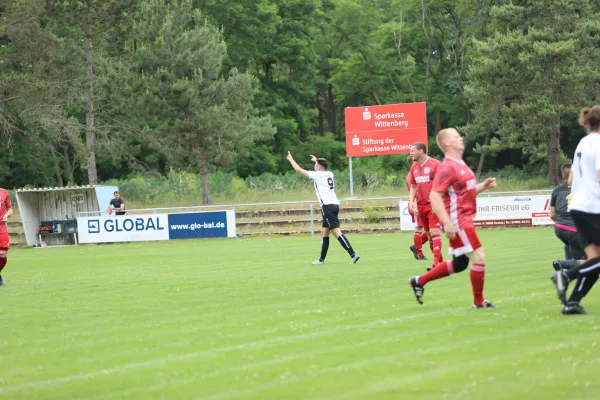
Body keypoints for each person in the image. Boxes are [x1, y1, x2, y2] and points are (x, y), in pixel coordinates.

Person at [409, 128, 497, 308]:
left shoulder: (460, 164)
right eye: (457, 137)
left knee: (460, 263)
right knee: (479, 257)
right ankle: (478, 302)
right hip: (458, 221)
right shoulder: (447, 166)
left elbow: (467, 192)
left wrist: (484, 186)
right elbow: (435, 195)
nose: (461, 139)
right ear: (447, 143)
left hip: (464, 219)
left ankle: (420, 280)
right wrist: (447, 223)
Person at [552, 106, 600, 315]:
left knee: (593, 262)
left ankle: (572, 302)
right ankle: (566, 276)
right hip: (593, 207)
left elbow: (571, 179)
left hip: (578, 206)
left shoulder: (583, 143)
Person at [286, 152, 360, 265]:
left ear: (319, 168)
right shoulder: (329, 173)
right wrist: (316, 160)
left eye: (315, 166)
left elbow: (299, 170)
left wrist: (291, 159)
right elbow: (321, 167)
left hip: (327, 207)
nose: (314, 167)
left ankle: (353, 254)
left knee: (337, 232)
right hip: (334, 205)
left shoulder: (317, 175)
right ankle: (321, 260)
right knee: (324, 233)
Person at [407, 142, 444, 269]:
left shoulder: (435, 164)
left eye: (413, 150)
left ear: (421, 151)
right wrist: (412, 202)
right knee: (429, 236)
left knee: (434, 233)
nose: (410, 153)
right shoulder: (414, 167)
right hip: (420, 206)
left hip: (432, 205)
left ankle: (435, 264)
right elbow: (413, 186)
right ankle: (442, 263)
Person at [550, 164, 586, 262]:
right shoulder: (583, 189)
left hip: (559, 228)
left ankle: (567, 268)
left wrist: (562, 221)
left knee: (569, 245)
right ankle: (562, 264)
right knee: (583, 261)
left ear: (563, 176)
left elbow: (552, 214)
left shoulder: (556, 190)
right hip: (574, 229)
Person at [406, 155, 429, 260]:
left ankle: (416, 247)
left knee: (431, 230)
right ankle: (419, 254)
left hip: (418, 204)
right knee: (419, 229)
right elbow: (414, 191)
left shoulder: (414, 174)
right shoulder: (412, 175)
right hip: (417, 204)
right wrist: (414, 205)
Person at [0, 187, 14, 286]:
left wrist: (7, 215)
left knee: (2, 256)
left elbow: (10, 209)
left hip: (1, 228)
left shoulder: (4, 192)